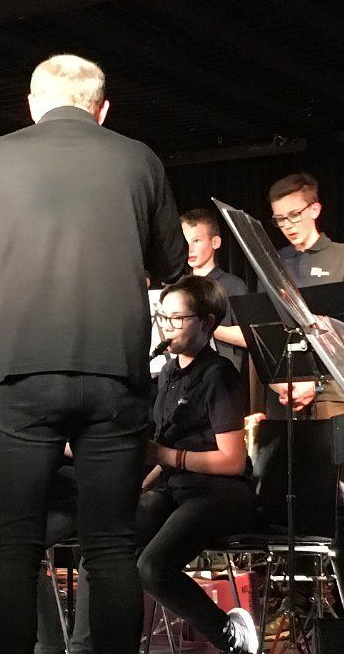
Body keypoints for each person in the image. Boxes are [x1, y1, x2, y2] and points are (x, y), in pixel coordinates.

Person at [0, 53, 185, 654]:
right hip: (114, 374)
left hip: (20, 374)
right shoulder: (140, 158)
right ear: (102, 110)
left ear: (32, 105)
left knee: (13, 549)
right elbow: (173, 264)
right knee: (111, 549)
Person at [262, 172, 344, 622]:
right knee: (290, 494)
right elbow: (267, 330)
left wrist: (316, 383)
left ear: (315, 209)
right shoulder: (274, 262)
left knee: (336, 497)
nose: (287, 225)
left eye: (294, 215)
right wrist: (279, 381)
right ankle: (297, 602)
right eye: (279, 219)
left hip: (331, 394)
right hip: (287, 393)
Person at [138, 276, 258, 654]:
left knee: (154, 567)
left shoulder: (220, 374)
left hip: (219, 493)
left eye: (177, 319)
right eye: (163, 317)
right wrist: (143, 483)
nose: (167, 327)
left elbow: (232, 461)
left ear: (207, 323)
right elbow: (169, 443)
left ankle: (232, 636)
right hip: (177, 487)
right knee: (113, 548)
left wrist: (167, 458)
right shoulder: (169, 372)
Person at [0, 462, 93, 654]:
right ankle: (26, 639)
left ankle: (51, 645)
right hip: (21, 502)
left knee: (15, 551)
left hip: (69, 499)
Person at [180, 209, 249, 374]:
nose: (189, 248)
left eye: (196, 240)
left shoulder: (233, 285)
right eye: (185, 241)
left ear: (215, 242)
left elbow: (248, 337)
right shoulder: (178, 286)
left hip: (221, 377)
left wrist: (200, 326)